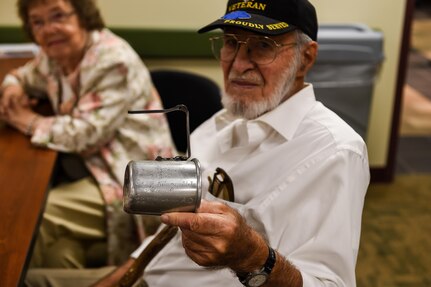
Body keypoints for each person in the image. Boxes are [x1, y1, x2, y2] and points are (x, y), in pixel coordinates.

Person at [28, 0, 371, 286]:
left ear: (306, 59)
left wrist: (252, 257)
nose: (237, 64)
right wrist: (125, 274)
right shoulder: (222, 123)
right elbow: (170, 234)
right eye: (231, 42)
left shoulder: (335, 151)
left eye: (263, 47)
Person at [0, 0, 174, 272]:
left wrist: (28, 121)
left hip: (133, 178)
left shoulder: (112, 60)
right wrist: (13, 88)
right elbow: (25, 75)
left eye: (58, 15)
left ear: (82, 16)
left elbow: (86, 134)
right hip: (91, 168)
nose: (49, 29)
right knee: (60, 253)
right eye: (38, 21)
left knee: (34, 219)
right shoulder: (56, 53)